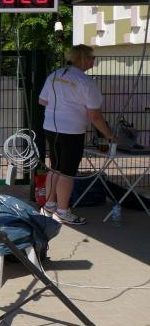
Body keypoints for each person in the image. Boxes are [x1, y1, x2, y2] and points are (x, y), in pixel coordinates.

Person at [38, 44, 114, 225]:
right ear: (84, 59)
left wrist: (61, 103)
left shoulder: (54, 75)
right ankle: (62, 211)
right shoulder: (86, 82)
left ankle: (49, 206)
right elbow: (95, 116)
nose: (94, 61)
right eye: (92, 57)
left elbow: (42, 101)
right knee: (68, 172)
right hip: (72, 130)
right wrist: (109, 135)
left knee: (55, 167)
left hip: (51, 127)